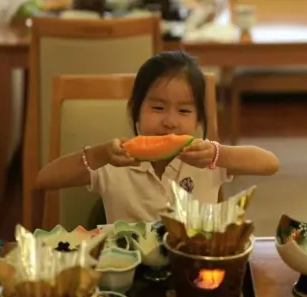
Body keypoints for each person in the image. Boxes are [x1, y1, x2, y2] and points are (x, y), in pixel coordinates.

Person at [36, 50, 279, 223]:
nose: (170, 121)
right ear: (135, 112)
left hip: (192, 267)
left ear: (199, 121)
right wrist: (99, 155)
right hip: (128, 272)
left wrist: (219, 153)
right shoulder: (114, 161)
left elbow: (270, 164)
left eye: (184, 110)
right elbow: (45, 179)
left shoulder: (208, 159)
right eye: (158, 108)